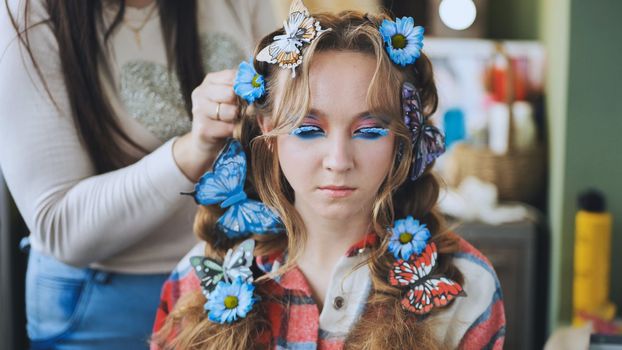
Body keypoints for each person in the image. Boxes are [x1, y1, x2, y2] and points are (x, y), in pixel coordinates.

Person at [152, 2, 506, 349]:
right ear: (268, 131)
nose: (338, 161)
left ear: (402, 139)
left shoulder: (465, 287)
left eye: (368, 131)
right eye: (308, 129)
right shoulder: (197, 280)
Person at [0, 0, 274, 348]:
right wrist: (194, 148)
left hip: (238, 274)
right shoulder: (26, 13)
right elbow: (60, 226)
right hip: (103, 303)